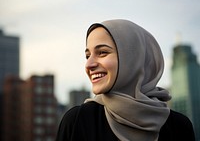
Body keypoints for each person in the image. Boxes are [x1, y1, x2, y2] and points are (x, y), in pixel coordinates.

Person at [56, 19, 195, 141]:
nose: (89, 64)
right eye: (88, 56)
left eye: (102, 52)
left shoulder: (179, 126)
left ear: (134, 58)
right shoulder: (77, 121)